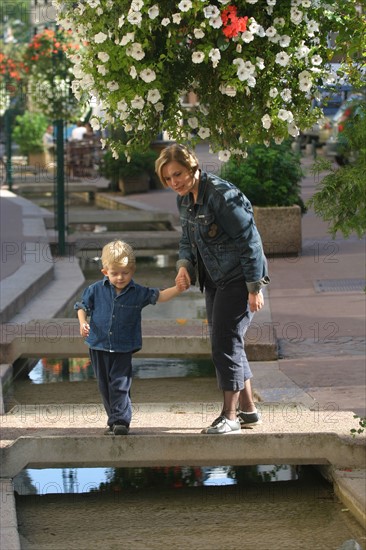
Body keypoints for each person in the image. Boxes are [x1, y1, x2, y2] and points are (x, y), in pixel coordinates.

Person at [155, 144, 270, 435]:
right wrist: (184, 266)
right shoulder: (184, 200)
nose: (174, 183)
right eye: (168, 179)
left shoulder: (221, 196)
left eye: (178, 174)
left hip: (238, 279)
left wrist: (254, 287)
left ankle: (229, 416)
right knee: (229, 342)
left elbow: (250, 242)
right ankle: (249, 411)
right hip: (213, 279)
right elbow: (187, 240)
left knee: (224, 344)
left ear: (192, 167)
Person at [74, 240, 186, 435]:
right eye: (114, 273)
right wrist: (83, 322)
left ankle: (121, 421)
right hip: (98, 345)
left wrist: (177, 288)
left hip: (123, 347)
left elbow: (159, 296)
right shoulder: (95, 290)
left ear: (132, 271)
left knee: (119, 383)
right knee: (104, 385)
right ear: (104, 272)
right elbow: (81, 306)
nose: (120, 277)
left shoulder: (138, 293)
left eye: (125, 273)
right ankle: (113, 420)